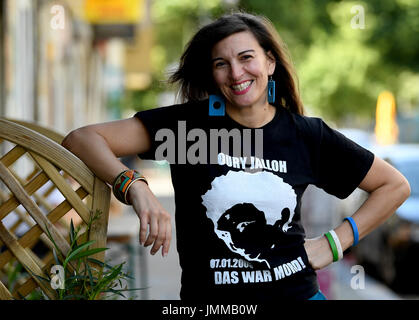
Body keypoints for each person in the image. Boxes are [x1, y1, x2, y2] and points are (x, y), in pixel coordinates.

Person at [61, 12, 410, 301]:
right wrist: (134, 186)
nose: (237, 73)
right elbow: (82, 139)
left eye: (246, 58)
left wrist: (335, 243)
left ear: (269, 62)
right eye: (221, 64)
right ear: (212, 75)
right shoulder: (187, 127)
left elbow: (394, 186)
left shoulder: (306, 135)